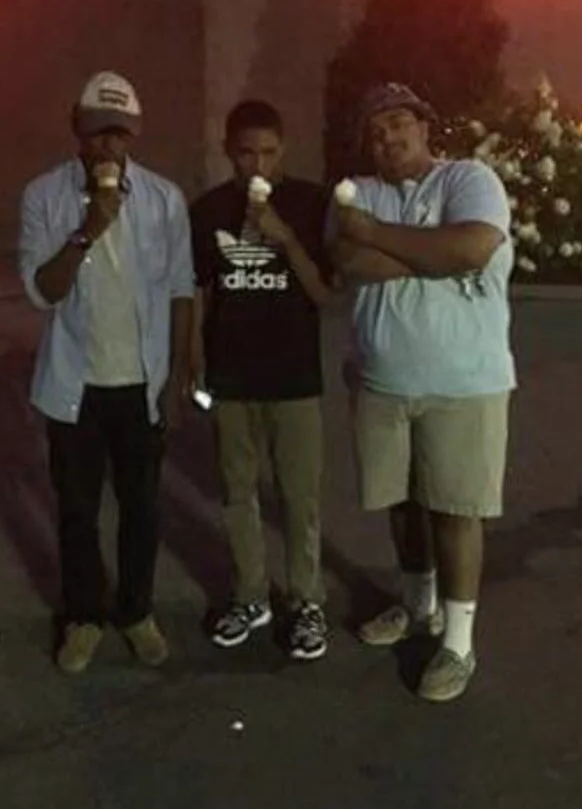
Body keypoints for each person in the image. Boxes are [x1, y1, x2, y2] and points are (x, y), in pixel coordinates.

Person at [330, 82, 515, 702]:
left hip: (464, 385)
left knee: (456, 512)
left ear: (425, 125)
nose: (388, 139)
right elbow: (349, 264)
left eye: (399, 124)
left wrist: (383, 236)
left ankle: (458, 642)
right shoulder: (360, 192)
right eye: (376, 131)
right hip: (383, 384)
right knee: (403, 506)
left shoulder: (469, 180)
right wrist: (435, 256)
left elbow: (473, 245)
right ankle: (417, 605)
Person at [18, 71, 194, 674]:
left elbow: (179, 290)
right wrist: (89, 226)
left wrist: (176, 379)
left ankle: (137, 611)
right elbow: (43, 290)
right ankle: (84, 617)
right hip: (74, 387)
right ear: (77, 128)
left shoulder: (165, 199)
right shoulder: (44, 196)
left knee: (143, 509)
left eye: (120, 136)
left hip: (140, 387)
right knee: (76, 511)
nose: (108, 148)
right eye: (98, 133)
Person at [189, 100, 333, 660]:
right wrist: (194, 358)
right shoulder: (209, 210)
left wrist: (286, 239)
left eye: (269, 153)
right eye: (246, 153)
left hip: (294, 376)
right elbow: (201, 290)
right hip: (232, 374)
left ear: (284, 151)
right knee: (236, 491)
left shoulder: (309, 203)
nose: (258, 165)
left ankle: (306, 600)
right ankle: (251, 594)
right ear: (229, 151)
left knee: (300, 496)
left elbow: (324, 293)